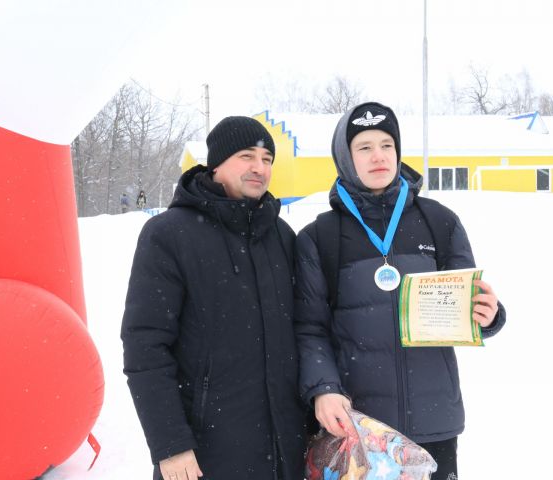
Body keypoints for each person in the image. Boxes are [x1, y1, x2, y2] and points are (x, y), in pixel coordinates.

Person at [293, 102, 507, 480]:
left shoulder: (438, 221)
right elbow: (310, 328)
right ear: (345, 158)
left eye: (387, 145)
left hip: (434, 421)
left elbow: (466, 302)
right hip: (360, 431)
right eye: (364, 147)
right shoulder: (319, 237)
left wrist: (488, 315)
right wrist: (324, 388)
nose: (379, 156)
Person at [121, 116, 306, 480]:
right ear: (216, 163)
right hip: (205, 455)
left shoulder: (281, 235)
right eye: (246, 156)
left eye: (268, 159)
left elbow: (302, 332)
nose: (259, 168)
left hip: (283, 450)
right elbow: (145, 348)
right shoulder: (169, 235)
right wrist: (170, 444)